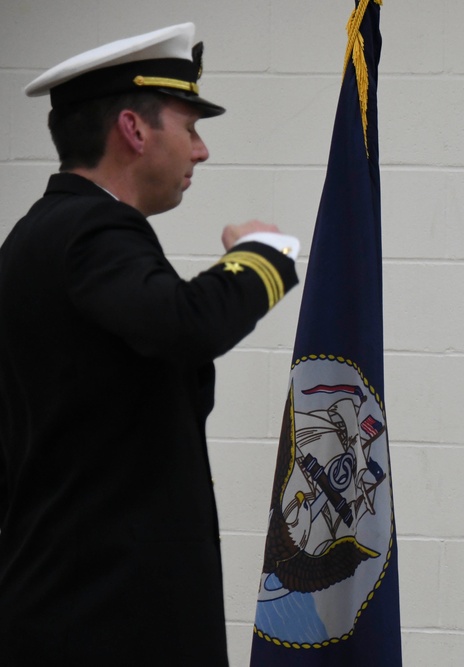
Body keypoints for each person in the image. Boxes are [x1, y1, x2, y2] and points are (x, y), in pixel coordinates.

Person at [0, 24, 299, 665]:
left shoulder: (46, 232)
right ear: (135, 130)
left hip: (81, 609)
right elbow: (185, 326)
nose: (201, 151)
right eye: (189, 128)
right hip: (102, 621)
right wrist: (262, 256)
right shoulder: (91, 229)